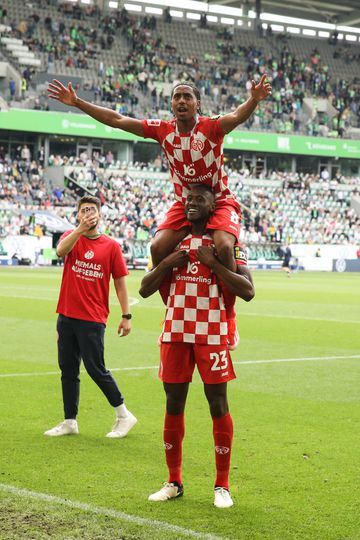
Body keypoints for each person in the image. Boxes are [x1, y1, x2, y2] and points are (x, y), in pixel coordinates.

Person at [47, 76, 271, 348]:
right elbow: (118, 120)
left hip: (219, 200)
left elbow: (236, 116)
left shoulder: (211, 127)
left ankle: (229, 321)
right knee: (157, 248)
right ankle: (172, 312)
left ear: (198, 104)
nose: (181, 101)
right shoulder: (163, 130)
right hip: (185, 201)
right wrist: (77, 102)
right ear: (171, 104)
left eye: (187, 96)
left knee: (224, 246)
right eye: (176, 97)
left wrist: (254, 100)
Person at [139, 184, 255, 508]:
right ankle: (173, 481)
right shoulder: (174, 244)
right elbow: (145, 288)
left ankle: (222, 485)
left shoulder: (226, 245)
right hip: (176, 331)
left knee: (217, 403)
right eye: (188, 199)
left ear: (212, 206)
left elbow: (248, 290)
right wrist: (167, 264)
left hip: (212, 333)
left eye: (199, 199)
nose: (191, 203)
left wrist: (214, 264)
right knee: (173, 403)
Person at [44, 196, 137, 438]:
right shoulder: (71, 238)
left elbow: (120, 284)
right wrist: (79, 230)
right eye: (83, 210)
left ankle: (124, 415)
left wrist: (126, 315)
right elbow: (59, 251)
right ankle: (69, 421)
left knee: (96, 369)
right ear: (78, 215)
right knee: (68, 369)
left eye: (92, 210)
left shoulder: (111, 246)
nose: (88, 213)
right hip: (66, 315)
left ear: (99, 215)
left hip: (92, 318)